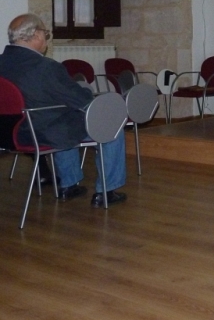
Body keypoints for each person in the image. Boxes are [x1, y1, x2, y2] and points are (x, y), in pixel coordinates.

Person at [0, 13, 127, 207]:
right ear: (35, 35)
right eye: (45, 33)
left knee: (65, 117)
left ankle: (70, 185)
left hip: (9, 134)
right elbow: (82, 100)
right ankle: (106, 192)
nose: (46, 39)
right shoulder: (46, 67)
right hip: (40, 132)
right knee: (111, 127)